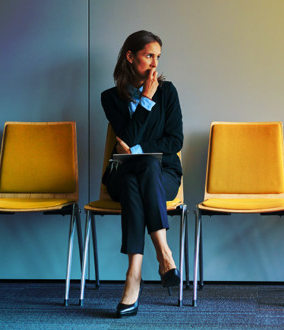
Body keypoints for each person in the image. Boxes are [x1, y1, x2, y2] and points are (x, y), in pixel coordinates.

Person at [101, 30, 183, 318]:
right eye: (149, 56)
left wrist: (136, 150)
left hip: (164, 176)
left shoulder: (169, 92)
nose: (154, 64)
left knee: (145, 168)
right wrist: (146, 100)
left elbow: (175, 142)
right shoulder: (110, 98)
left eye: (158, 57)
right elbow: (128, 134)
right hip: (121, 175)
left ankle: (133, 275)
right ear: (130, 56)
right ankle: (164, 253)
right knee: (137, 173)